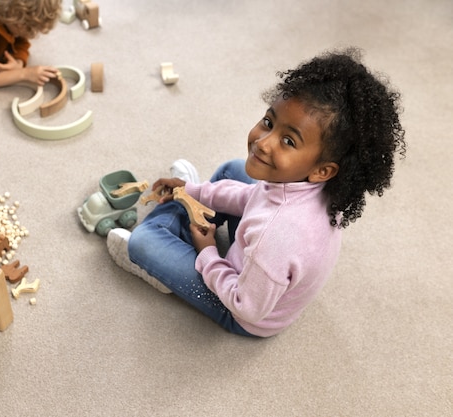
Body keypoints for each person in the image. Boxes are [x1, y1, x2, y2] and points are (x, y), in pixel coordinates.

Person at [107, 48, 407, 338]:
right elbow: (255, 199)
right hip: (265, 249)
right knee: (233, 170)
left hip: (240, 309)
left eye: (288, 141)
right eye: (268, 122)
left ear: (323, 170)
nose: (263, 142)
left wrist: (208, 251)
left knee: (144, 242)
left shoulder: (276, 235)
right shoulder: (309, 186)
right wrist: (191, 190)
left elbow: (247, 307)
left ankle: (158, 260)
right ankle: (186, 207)